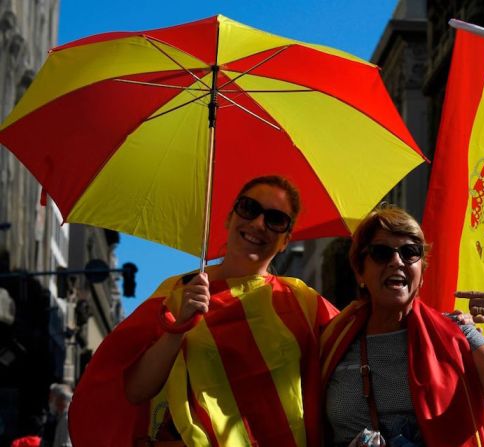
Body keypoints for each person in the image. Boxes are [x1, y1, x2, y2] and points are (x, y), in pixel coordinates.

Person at [69, 175, 338, 447]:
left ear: (285, 241)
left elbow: (353, 345)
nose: (258, 224)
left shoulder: (302, 302)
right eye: (249, 208)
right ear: (229, 218)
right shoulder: (177, 293)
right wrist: (178, 327)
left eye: (276, 219)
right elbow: (135, 390)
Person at [321, 204, 484, 447]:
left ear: (421, 272)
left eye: (410, 252)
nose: (396, 262)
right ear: (360, 272)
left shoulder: (455, 333)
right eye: (381, 253)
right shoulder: (332, 339)